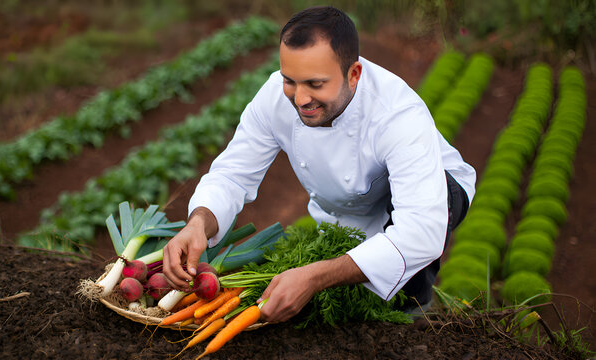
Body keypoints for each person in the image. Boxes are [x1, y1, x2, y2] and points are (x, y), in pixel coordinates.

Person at [163, 6, 475, 323]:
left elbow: (420, 231)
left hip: (435, 191)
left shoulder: (397, 114)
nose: (299, 98)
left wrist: (315, 277)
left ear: (353, 75)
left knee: (398, 301)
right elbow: (232, 175)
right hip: (349, 210)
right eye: (290, 81)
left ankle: (414, 315)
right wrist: (198, 223)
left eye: (315, 84)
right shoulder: (273, 97)